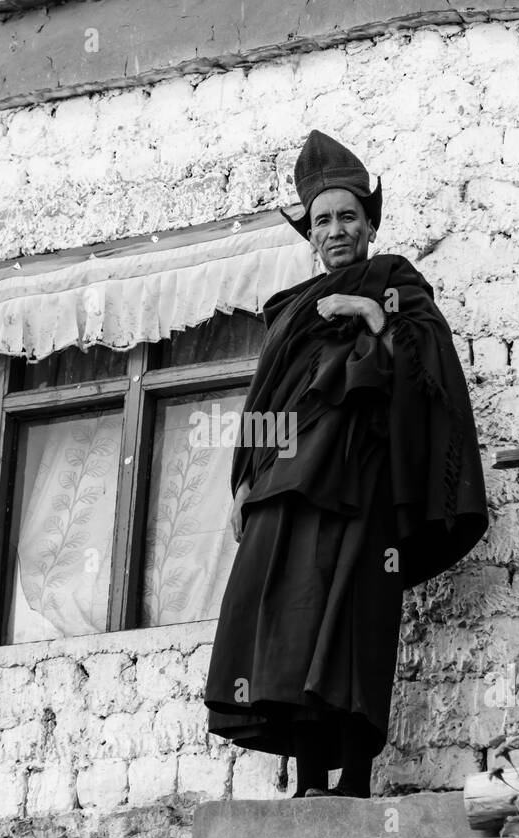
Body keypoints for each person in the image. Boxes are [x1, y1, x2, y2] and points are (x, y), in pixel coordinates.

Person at [203, 129, 489, 798]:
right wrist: (243, 482)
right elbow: (267, 401)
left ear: (369, 224)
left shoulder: (398, 286)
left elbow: (428, 375)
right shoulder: (288, 312)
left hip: (361, 486)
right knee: (291, 625)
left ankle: (355, 779)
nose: (335, 230)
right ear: (310, 232)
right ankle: (307, 782)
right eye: (323, 220)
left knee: (356, 620)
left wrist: (371, 314)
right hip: (285, 488)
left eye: (347, 217)